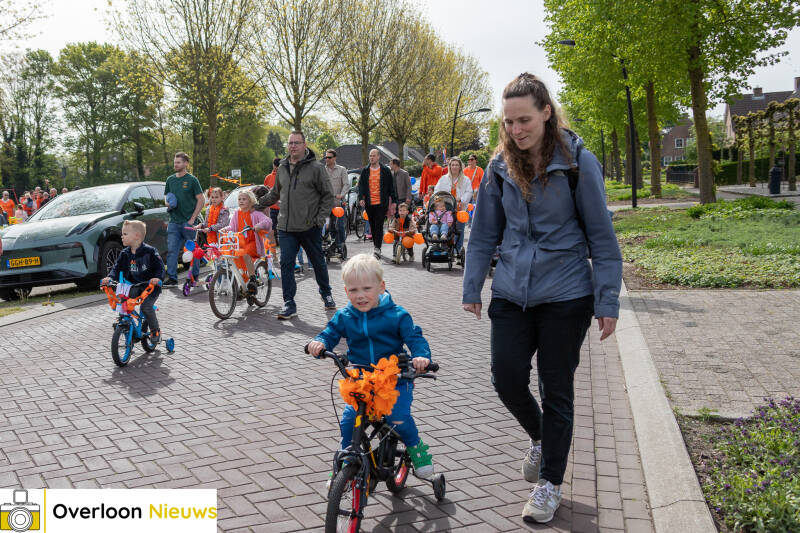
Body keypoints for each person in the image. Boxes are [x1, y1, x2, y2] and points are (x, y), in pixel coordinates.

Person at [462, 73, 622, 524]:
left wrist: (607, 300)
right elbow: (482, 235)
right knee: (506, 377)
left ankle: (550, 484)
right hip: (512, 291)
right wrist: (472, 285)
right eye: (509, 121)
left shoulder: (577, 164)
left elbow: (602, 239)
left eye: (525, 119)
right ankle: (540, 437)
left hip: (566, 294)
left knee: (558, 392)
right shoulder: (498, 167)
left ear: (546, 113)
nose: (516, 129)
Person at [307, 253, 435, 478]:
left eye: (367, 288)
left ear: (381, 287)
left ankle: (416, 447)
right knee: (349, 422)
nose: (361, 296)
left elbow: (415, 338)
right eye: (353, 290)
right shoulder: (345, 316)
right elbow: (331, 333)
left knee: (398, 418)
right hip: (361, 381)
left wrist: (421, 356)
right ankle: (345, 463)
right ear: (346, 292)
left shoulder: (396, 315)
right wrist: (319, 343)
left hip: (395, 379)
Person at [257, 131, 336, 319]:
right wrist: (255, 204)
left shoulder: (317, 168)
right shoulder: (282, 167)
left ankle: (326, 294)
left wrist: (319, 220)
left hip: (310, 227)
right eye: (290, 143)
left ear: (304, 144)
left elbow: (328, 196)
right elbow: (274, 194)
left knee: (318, 263)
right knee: (286, 264)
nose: (293, 146)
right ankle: (288, 303)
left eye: (296, 143)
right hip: (286, 227)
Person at [102, 220, 165, 345]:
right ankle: (125, 325)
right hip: (134, 286)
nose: (122, 236)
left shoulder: (150, 251)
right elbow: (116, 268)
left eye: (125, 234)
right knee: (122, 302)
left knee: (146, 307)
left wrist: (157, 278)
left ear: (136, 236)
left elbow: (160, 267)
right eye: (122, 234)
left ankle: (155, 331)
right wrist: (110, 278)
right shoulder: (124, 253)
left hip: (150, 287)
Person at [163, 152, 204, 286]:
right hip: (174, 221)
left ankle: (194, 278)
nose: (176, 164)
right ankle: (173, 278)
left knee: (193, 251)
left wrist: (193, 218)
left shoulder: (192, 180)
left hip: (189, 222)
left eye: (178, 162)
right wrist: (167, 202)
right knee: (172, 251)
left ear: (186, 163)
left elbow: (201, 200)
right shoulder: (170, 180)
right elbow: (166, 197)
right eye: (175, 162)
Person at [223, 190, 272, 295]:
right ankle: (244, 283)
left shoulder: (255, 213)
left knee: (245, 254)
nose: (241, 201)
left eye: (244, 199)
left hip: (253, 242)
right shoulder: (236, 213)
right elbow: (232, 227)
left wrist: (258, 226)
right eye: (239, 199)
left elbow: (268, 221)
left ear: (250, 201)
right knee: (233, 257)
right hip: (240, 242)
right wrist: (225, 229)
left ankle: (253, 279)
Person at [358, 149, 397, 259]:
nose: (371, 158)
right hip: (369, 203)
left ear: (379, 157)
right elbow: (361, 186)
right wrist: (361, 197)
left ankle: (377, 248)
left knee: (379, 224)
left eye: (374, 156)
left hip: (381, 202)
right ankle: (376, 245)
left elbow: (391, 187)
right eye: (370, 156)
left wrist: (394, 201)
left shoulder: (385, 170)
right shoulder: (365, 170)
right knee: (373, 225)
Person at [434, 157, 472, 253]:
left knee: (459, 230)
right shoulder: (443, 179)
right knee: (445, 227)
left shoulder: (466, 180)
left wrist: (461, 199)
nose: (454, 167)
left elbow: (469, 192)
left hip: (460, 209)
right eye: (452, 165)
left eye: (456, 165)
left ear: (460, 167)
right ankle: (445, 248)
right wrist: (442, 199)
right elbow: (437, 191)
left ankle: (458, 250)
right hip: (446, 209)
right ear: (449, 167)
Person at [323, 149, 349, 250]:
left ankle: (341, 245)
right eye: (326, 157)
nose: (327, 159)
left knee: (340, 226)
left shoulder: (342, 170)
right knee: (328, 226)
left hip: (338, 204)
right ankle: (332, 243)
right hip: (326, 204)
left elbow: (346, 184)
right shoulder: (323, 170)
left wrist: (341, 195)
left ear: (334, 158)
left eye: (329, 157)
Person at [263, 157, 282, 247]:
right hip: (277, 206)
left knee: (277, 226)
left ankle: (277, 242)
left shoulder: (269, 177)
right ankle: (277, 242)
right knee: (276, 226)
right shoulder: (269, 177)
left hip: (277, 206)